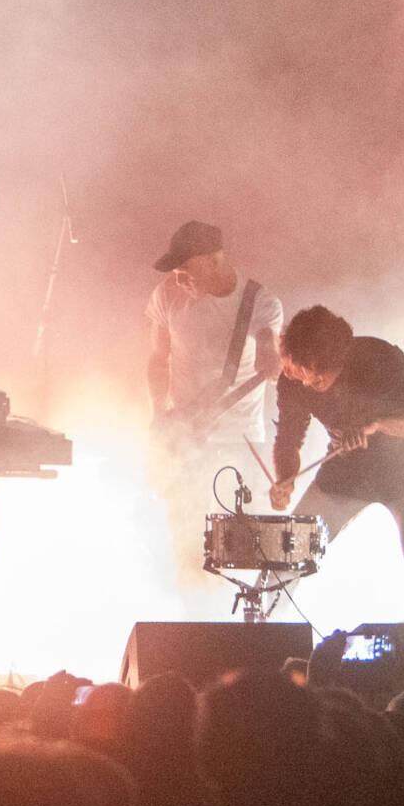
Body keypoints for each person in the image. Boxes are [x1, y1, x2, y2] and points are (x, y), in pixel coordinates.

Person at [270, 305, 404, 624]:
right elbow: (289, 438)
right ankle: (262, 654)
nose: (305, 383)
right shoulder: (293, 377)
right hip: (347, 473)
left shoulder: (380, 358)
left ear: (338, 364)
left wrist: (378, 425)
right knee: (284, 557)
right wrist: (285, 478)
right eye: (298, 372)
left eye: (317, 381)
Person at [146, 220, 284, 590]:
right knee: (186, 546)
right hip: (186, 439)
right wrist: (160, 415)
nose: (178, 281)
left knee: (235, 557)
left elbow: (269, 340)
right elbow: (158, 360)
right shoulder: (167, 296)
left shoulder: (260, 302)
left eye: (184, 271)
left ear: (212, 261)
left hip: (238, 444)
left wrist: (270, 355)